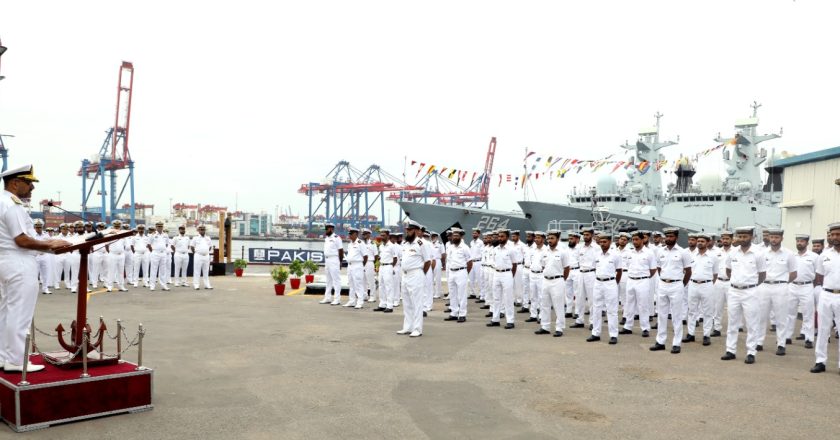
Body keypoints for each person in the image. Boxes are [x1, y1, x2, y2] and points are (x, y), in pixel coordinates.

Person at [0, 165, 71, 372]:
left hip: (7, 262)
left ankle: (4, 356)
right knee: (19, 314)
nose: (32, 188)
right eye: (28, 183)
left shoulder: (3, 201)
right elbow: (21, 240)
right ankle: (15, 360)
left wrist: (49, 243)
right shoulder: (12, 204)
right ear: (15, 183)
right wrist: (50, 245)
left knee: (6, 312)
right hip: (19, 263)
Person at [721, 226, 766, 364]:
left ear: (751, 237)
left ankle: (751, 352)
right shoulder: (732, 253)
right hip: (734, 291)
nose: (742, 239)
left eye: (745, 236)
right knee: (732, 323)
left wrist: (749, 285)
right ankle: (730, 350)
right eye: (740, 236)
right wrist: (737, 283)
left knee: (751, 323)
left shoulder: (758, 253)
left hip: (750, 291)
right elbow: (728, 271)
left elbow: (762, 275)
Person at [650, 227, 693, 354]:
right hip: (663, 284)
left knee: (676, 316)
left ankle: (676, 343)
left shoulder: (683, 252)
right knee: (661, 315)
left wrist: (681, 284)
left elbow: (688, 271)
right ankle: (660, 342)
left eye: (671, 237)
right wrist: (664, 280)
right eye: (667, 236)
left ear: (676, 237)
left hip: (676, 286)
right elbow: (659, 268)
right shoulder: (660, 251)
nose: (668, 239)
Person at [756, 228, 797, 355]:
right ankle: (758, 342)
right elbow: (758, 271)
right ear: (769, 238)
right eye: (772, 237)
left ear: (781, 239)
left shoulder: (789, 254)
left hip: (781, 287)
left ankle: (781, 344)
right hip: (764, 286)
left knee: (781, 317)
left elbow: (794, 274)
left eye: (776, 237)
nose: (774, 240)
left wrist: (783, 283)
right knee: (761, 316)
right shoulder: (762, 253)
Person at [811, 222, 840, 373]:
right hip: (827, 294)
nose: (835, 237)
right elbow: (820, 276)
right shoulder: (824, 255)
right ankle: (820, 361)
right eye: (833, 234)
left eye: (838, 234)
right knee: (823, 329)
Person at [619, 231, 657, 337]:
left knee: (642, 305)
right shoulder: (630, 253)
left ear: (642, 240)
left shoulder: (649, 253)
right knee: (629, 304)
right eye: (633, 240)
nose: (634, 242)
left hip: (643, 280)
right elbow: (626, 265)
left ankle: (645, 328)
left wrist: (644, 277)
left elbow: (653, 269)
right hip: (630, 280)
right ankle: (628, 326)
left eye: (637, 240)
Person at [397, 220, 431, 337]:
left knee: (417, 303)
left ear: (416, 231)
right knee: (406, 303)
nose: (408, 232)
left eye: (410, 230)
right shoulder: (405, 244)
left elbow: (428, 262)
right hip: (405, 275)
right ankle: (408, 327)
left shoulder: (422, 244)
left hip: (416, 275)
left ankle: (417, 329)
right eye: (407, 230)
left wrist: (421, 274)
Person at [588, 233, 623, 344]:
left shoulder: (615, 255)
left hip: (610, 283)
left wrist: (613, 283)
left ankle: (613, 335)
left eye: (605, 242)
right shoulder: (597, 255)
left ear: (610, 242)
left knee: (612, 310)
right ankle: (595, 333)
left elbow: (619, 271)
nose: (602, 244)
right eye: (601, 242)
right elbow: (594, 269)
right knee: (596, 309)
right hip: (598, 283)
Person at [684, 233, 718, 346]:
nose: (699, 243)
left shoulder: (713, 257)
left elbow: (715, 274)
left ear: (708, 243)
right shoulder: (691, 255)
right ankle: (690, 334)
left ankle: (706, 335)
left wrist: (707, 283)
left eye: (702, 241)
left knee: (707, 312)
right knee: (692, 311)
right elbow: (687, 271)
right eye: (698, 241)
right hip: (693, 285)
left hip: (707, 285)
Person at [536, 230, 570, 337]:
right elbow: (542, 265)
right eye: (548, 238)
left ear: (557, 239)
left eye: (552, 238)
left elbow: (567, 268)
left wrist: (561, 279)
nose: (549, 240)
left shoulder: (562, 252)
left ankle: (559, 328)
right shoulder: (544, 252)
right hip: (546, 280)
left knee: (558, 306)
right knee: (544, 304)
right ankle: (545, 326)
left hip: (558, 281)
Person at [787, 234, 816, 349]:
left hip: (807, 286)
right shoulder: (792, 256)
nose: (799, 243)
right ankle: (787, 336)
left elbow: (818, 273)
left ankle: (809, 338)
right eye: (798, 241)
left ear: (807, 243)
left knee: (808, 313)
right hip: (793, 286)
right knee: (789, 313)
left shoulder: (814, 256)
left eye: (802, 241)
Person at [489, 229, 518, 329]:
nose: (500, 238)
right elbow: (493, 262)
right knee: (496, 298)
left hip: (507, 274)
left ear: (507, 237)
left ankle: (510, 321)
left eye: (502, 236)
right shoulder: (495, 249)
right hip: (496, 274)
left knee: (508, 298)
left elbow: (514, 265)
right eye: (499, 236)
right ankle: (495, 319)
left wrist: (510, 275)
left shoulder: (511, 249)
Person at [444, 228, 472, 322]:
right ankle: (454, 313)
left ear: (461, 236)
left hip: (461, 272)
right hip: (452, 272)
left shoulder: (465, 247)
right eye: (453, 235)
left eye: (457, 235)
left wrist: (465, 272)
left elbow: (469, 262)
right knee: (452, 294)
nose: (454, 237)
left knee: (462, 294)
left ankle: (462, 314)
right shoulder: (451, 247)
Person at [571, 228, 598, 329]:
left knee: (592, 299)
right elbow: (578, 259)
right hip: (580, 273)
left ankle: (593, 321)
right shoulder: (579, 247)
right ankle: (580, 320)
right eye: (584, 235)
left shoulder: (596, 247)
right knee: (579, 298)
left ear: (592, 235)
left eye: (587, 235)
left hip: (591, 273)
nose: (585, 236)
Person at [712, 231, 735, 337]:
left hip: (731, 282)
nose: (725, 241)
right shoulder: (716, 252)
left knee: (732, 308)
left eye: (727, 239)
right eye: (723, 239)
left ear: (732, 239)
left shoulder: (736, 251)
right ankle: (717, 328)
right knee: (717, 306)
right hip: (719, 281)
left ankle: (732, 329)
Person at [343, 227, 368, 309]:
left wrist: (361, 266)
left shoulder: (360, 243)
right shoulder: (350, 244)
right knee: (351, 284)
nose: (349, 235)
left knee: (358, 284)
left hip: (357, 265)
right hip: (350, 265)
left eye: (351, 234)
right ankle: (351, 301)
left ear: (356, 234)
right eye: (349, 234)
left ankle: (360, 302)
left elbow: (365, 256)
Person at [319, 223, 344, 305]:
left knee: (336, 280)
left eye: (327, 229)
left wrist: (340, 262)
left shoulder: (337, 238)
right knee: (328, 280)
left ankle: (337, 299)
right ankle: (327, 297)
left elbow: (341, 251)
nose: (326, 231)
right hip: (327, 260)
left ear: (331, 229)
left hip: (334, 260)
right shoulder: (327, 238)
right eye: (325, 229)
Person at [525, 231, 547, 323]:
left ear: (543, 239)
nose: (536, 239)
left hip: (541, 275)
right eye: (536, 238)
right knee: (533, 296)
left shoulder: (546, 250)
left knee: (542, 296)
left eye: (538, 238)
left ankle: (542, 316)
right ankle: (533, 315)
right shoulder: (533, 250)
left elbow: (546, 264)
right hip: (532, 274)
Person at [374, 229, 397, 313]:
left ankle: (390, 305)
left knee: (389, 286)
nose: (381, 236)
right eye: (381, 235)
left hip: (388, 266)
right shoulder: (381, 246)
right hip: (382, 266)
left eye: (383, 235)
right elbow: (380, 256)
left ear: (388, 235)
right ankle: (382, 304)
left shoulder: (392, 246)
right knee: (381, 286)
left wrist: (391, 267)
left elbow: (395, 258)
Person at [105, 220, 128, 292]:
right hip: (112, 254)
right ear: (113, 226)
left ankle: (121, 286)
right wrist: (110, 252)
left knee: (121, 271)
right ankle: (109, 286)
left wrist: (121, 252)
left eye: (118, 226)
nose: (117, 227)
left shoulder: (123, 234)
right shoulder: (110, 234)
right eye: (116, 226)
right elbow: (106, 245)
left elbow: (125, 245)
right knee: (111, 271)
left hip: (121, 255)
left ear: (120, 226)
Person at [148, 221, 171, 291]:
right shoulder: (153, 234)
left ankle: (163, 285)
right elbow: (149, 244)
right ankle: (152, 285)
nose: (160, 228)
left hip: (163, 253)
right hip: (155, 253)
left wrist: (162, 249)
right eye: (158, 226)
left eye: (161, 226)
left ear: (162, 227)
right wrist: (153, 251)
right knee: (153, 270)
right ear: (156, 227)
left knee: (163, 270)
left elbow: (166, 244)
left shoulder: (165, 235)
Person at [33, 219, 54, 295]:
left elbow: (51, 243)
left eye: (40, 227)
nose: (38, 228)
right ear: (34, 227)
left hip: (45, 255)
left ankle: (45, 289)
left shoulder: (46, 235)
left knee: (45, 273)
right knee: (35, 274)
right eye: (37, 227)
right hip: (35, 256)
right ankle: (34, 289)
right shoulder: (32, 235)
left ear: (42, 227)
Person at [190, 225, 214, 290]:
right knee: (197, 271)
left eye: (203, 229)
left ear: (205, 230)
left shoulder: (208, 238)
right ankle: (196, 285)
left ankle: (207, 285)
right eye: (201, 229)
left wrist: (205, 252)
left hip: (206, 256)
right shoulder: (195, 238)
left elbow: (210, 247)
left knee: (206, 271)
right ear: (198, 230)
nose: (202, 231)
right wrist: (196, 253)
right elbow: (192, 247)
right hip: (198, 255)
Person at [564, 231, 581, 318]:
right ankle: (569, 310)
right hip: (568, 271)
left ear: (577, 239)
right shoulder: (566, 249)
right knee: (568, 292)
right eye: (569, 239)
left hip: (577, 271)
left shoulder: (580, 248)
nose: (570, 240)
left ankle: (577, 312)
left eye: (572, 239)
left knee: (577, 292)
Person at [362, 229, 379, 303]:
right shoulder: (361, 243)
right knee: (363, 280)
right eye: (363, 234)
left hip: (369, 262)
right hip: (362, 263)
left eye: (366, 234)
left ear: (369, 234)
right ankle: (364, 295)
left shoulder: (372, 243)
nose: (364, 235)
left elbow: (376, 255)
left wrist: (375, 265)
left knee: (371, 281)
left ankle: (372, 296)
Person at [468, 228, 484, 299]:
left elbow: (482, 253)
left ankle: (481, 294)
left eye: (475, 233)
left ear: (478, 234)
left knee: (479, 278)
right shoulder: (471, 242)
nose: (474, 234)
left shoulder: (481, 243)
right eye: (473, 233)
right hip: (472, 261)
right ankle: (472, 293)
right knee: (471, 278)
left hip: (478, 262)